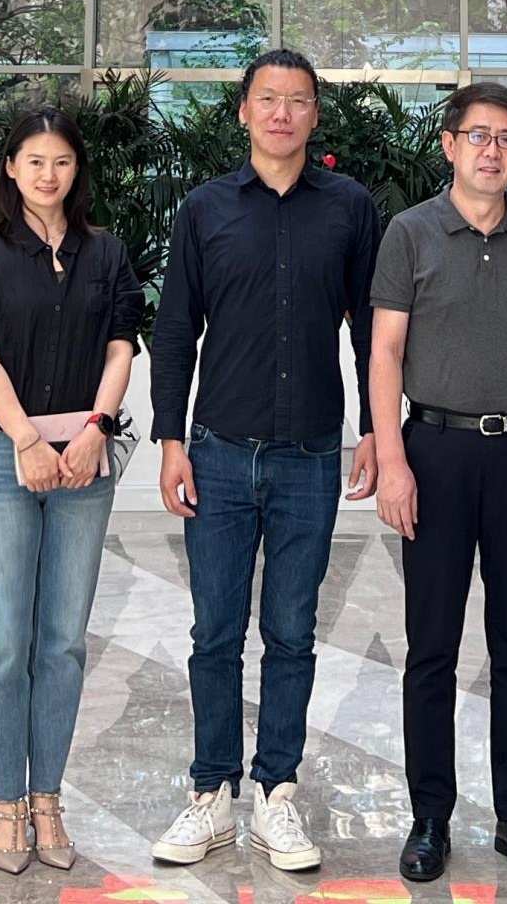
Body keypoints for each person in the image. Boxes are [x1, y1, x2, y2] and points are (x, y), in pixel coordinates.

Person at [147, 49, 384, 874]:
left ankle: (276, 793)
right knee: (214, 633)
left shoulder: (349, 208)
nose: (282, 113)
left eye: (298, 100)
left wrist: (374, 428)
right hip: (217, 452)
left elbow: (372, 329)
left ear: (316, 113)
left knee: (291, 633)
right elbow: (175, 329)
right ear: (244, 110)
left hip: (310, 457)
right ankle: (211, 793)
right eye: (268, 99)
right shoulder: (205, 208)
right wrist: (170, 440)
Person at [371, 80, 507, 885]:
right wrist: (394, 460)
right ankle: (430, 816)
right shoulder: (410, 232)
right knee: (431, 646)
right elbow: (385, 351)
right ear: (450, 145)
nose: (493, 151)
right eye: (479, 136)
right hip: (435, 451)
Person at [0, 109, 144, 873]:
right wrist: (27, 440)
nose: (47, 174)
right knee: (5, 638)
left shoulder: (107, 253)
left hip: (86, 460)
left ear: (76, 170)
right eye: (33, 160)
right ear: (11, 167)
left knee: (62, 640)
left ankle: (48, 798)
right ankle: (5, 800)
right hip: (3, 457)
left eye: (61, 161)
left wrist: (96, 428)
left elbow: (123, 344)